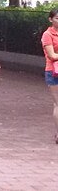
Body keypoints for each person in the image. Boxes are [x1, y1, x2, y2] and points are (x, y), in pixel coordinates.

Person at [40, 8, 58, 143]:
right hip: (53, 72)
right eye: (57, 18)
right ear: (50, 19)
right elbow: (52, 56)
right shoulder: (47, 35)